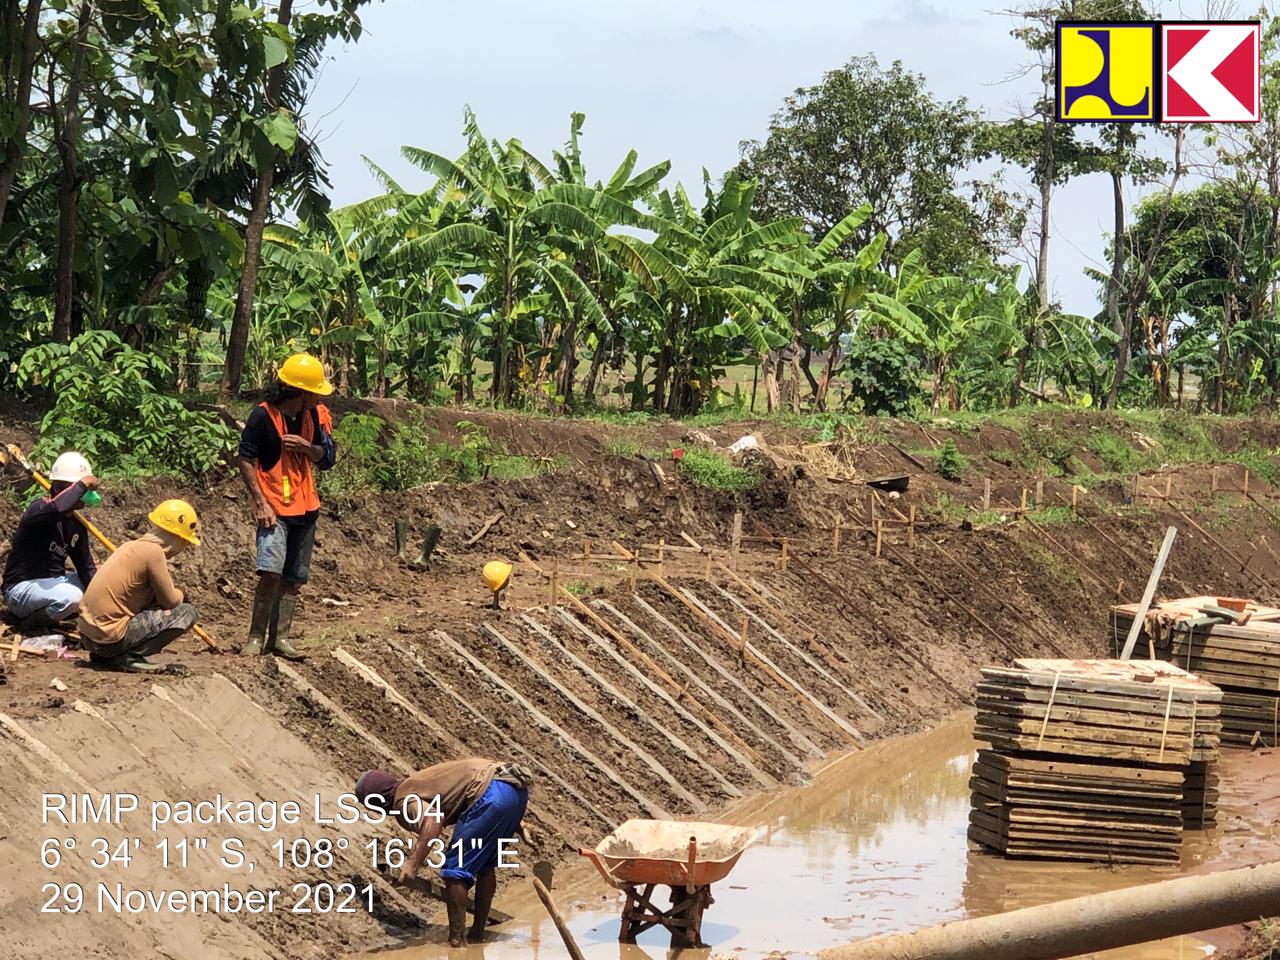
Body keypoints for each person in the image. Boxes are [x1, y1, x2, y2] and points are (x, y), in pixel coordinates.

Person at [355, 759, 531, 946]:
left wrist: (412, 863)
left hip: (491, 792)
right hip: (515, 789)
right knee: (485, 864)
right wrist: (519, 824)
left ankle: (457, 941)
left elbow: (433, 820)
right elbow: (491, 789)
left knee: (455, 870)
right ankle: (477, 934)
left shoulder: (403, 800)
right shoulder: (417, 783)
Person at [237, 353, 336, 660]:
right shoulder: (262, 417)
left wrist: (309, 449)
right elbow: (245, 458)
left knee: (293, 577)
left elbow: (328, 459)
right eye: (314, 392)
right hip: (275, 508)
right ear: (300, 391)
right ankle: (256, 637)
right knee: (270, 572)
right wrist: (260, 502)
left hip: (306, 508)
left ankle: (279, 638)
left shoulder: (315, 416)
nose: (319, 397)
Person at [77, 499, 200, 673]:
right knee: (187, 612)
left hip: (88, 637)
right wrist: (182, 592)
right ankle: (128, 657)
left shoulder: (130, 546)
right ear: (177, 539)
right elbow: (170, 601)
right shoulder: (153, 552)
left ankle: (106, 657)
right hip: (109, 641)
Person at [2, 451, 99, 630]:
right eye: (82, 490)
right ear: (61, 489)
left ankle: (59, 613)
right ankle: (27, 625)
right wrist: (84, 483)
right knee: (72, 597)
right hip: (21, 589)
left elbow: (86, 568)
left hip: (56, 582)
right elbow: (58, 507)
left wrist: (102, 593)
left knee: (102, 580)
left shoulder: (77, 526)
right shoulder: (39, 509)